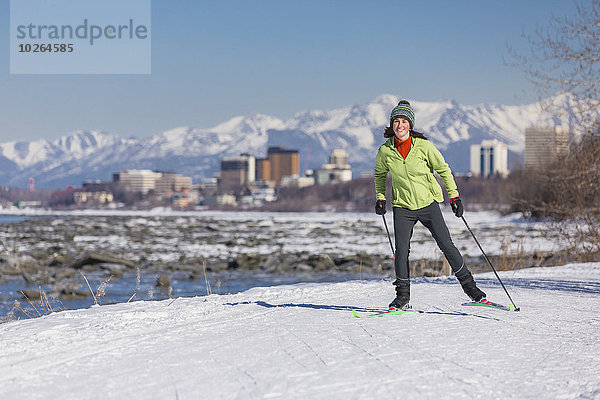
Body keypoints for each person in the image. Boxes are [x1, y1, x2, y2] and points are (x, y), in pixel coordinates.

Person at [374, 100, 486, 310]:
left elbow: (443, 170)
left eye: (404, 121)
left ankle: (473, 291)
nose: (400, 125)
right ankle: (402, 298)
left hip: (428, 204)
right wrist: (381, 197)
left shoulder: (424, 147)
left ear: (410, 125)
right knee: (401, 251)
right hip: (402, 207)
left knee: (447, 245)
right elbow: (379, 174)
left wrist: (454, 197)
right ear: (392, 125)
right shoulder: (385, 151)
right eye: (396, 121)